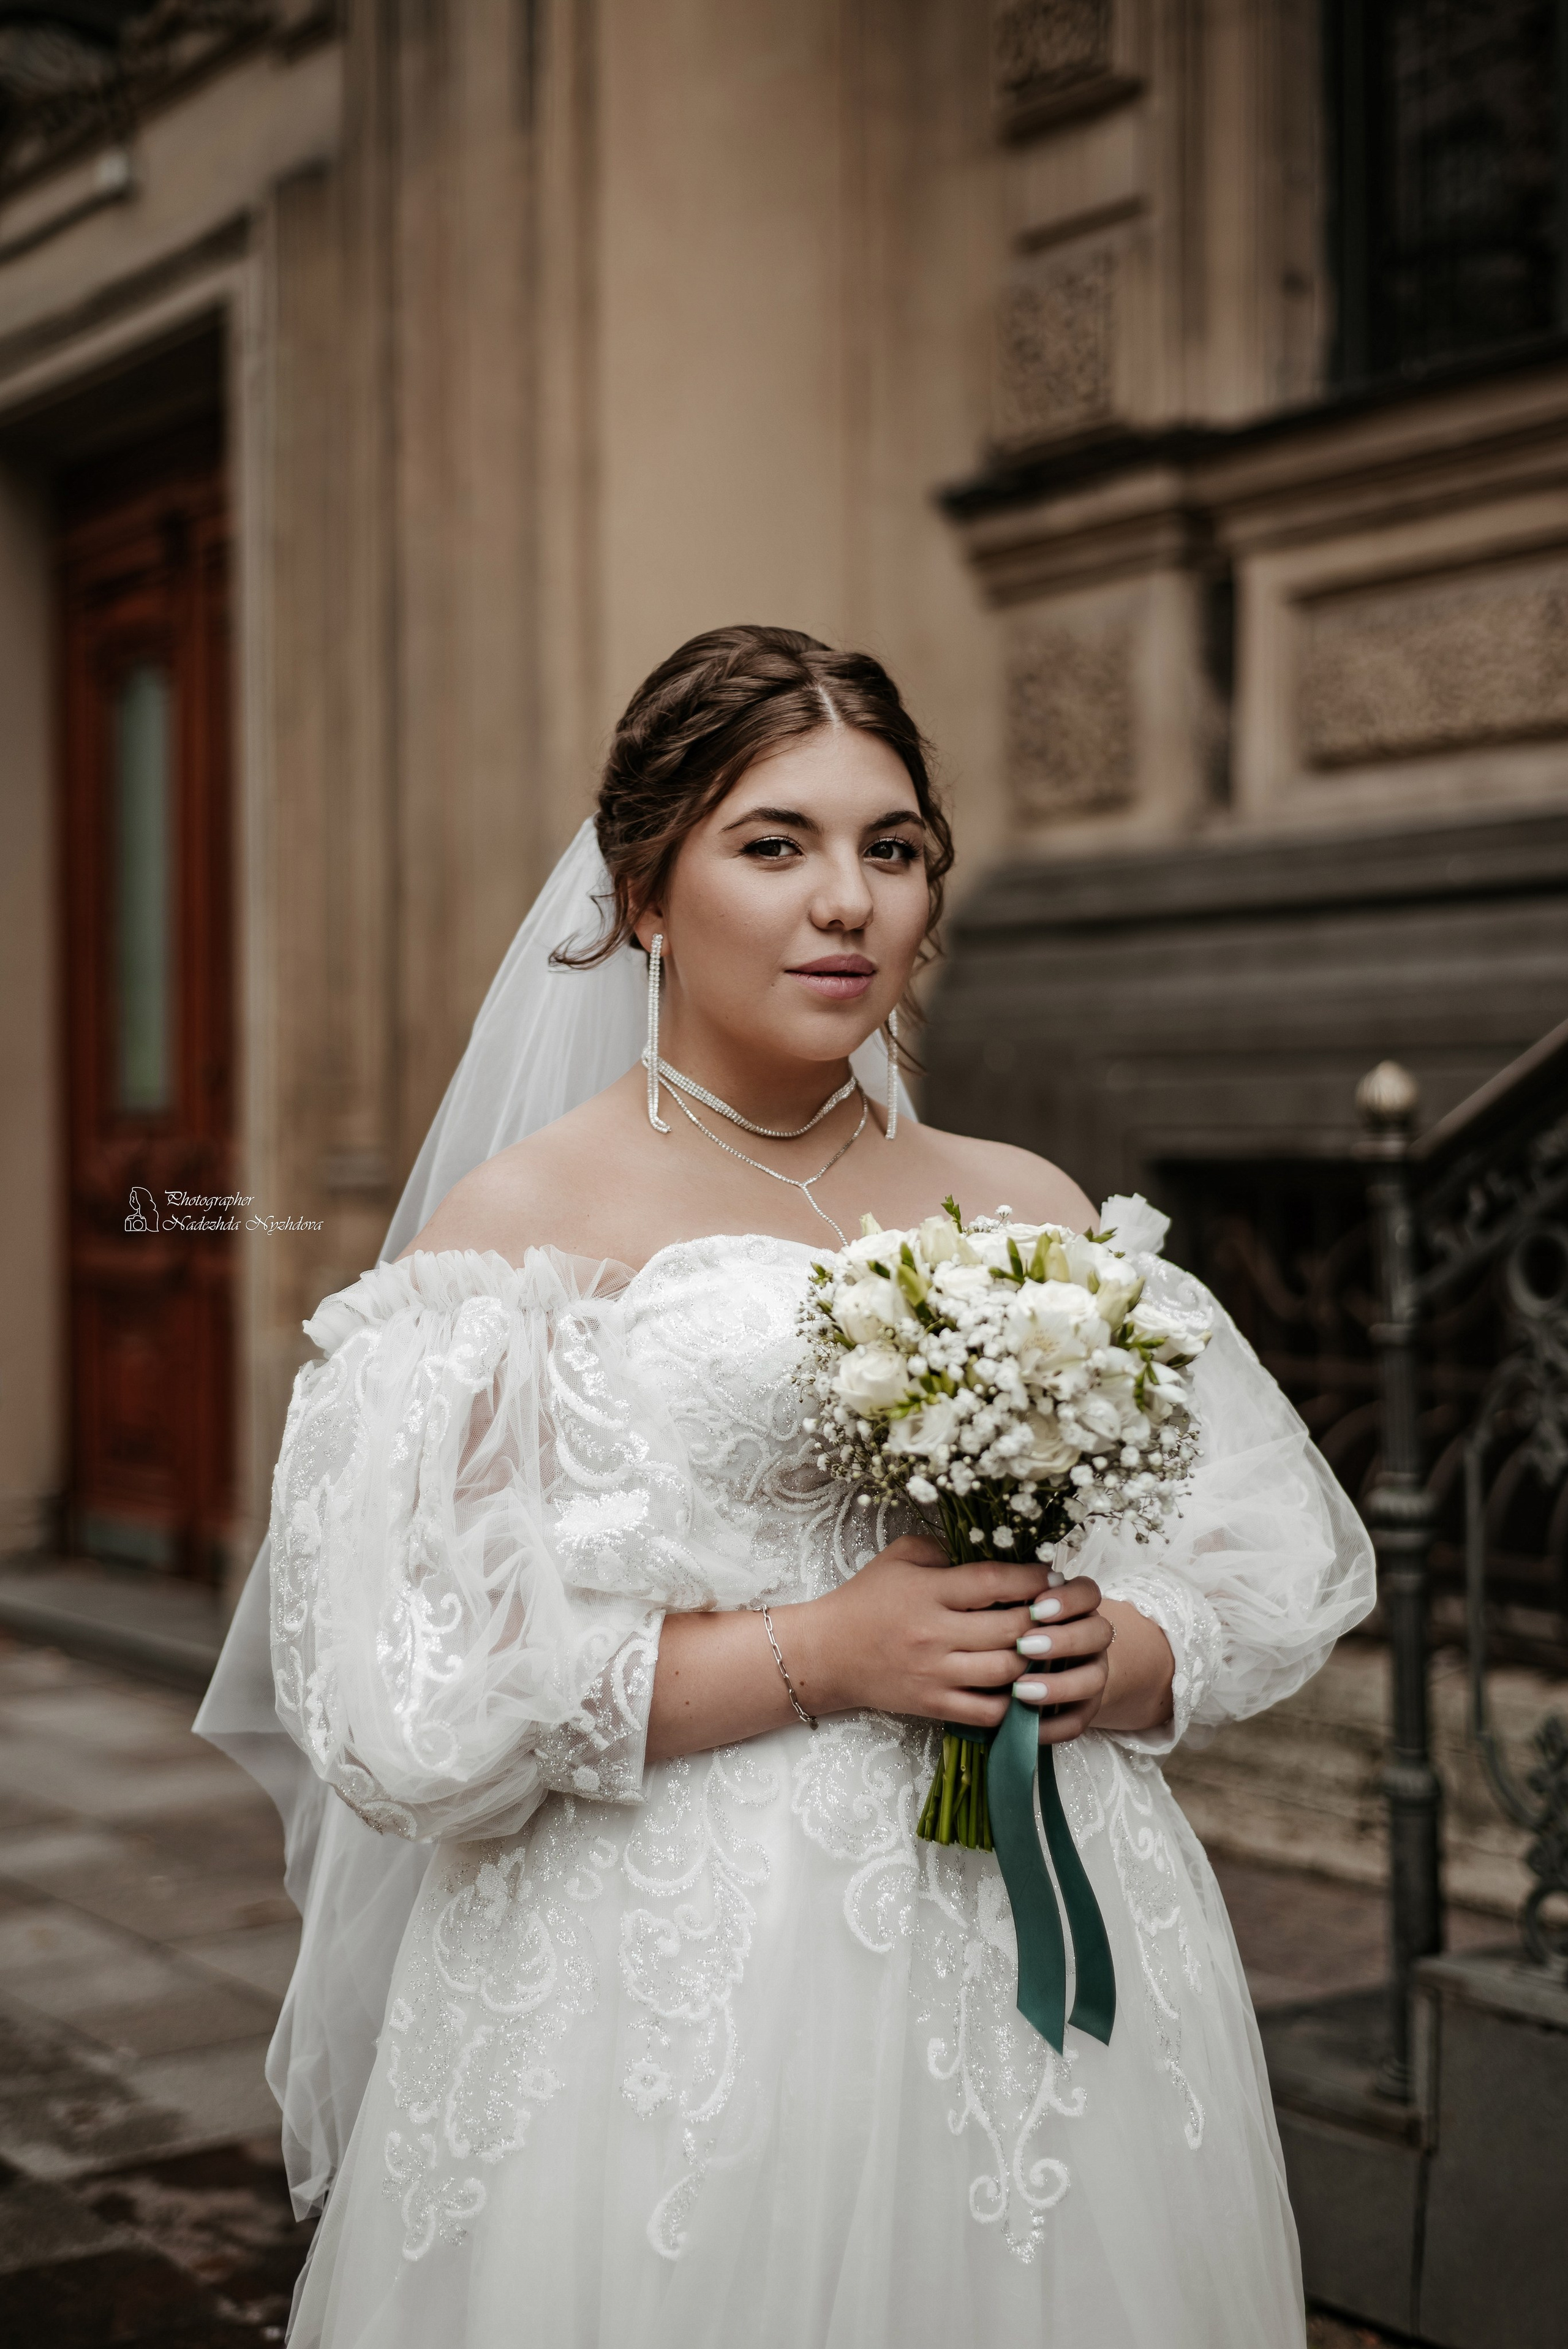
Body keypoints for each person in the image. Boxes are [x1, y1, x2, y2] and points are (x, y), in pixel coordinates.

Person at [220, 627, 1374, 2346]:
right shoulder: (517, 1230)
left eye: (891, 848)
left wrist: (1124, 1651)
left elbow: (1263, 1547)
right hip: (669, 1980)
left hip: (1043, 1944)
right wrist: (821, 1653)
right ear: (647, 896)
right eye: (777, 843)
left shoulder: (1027, 1200)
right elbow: (411, 1701)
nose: (848, 900)